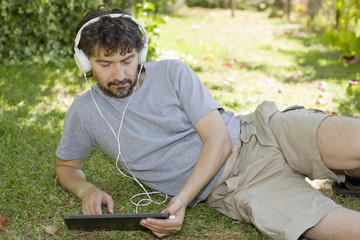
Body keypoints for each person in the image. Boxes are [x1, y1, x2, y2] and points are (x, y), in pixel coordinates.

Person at [55, 5, 360, 240]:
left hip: (262, 132)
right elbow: (66, 167)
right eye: (105, 64)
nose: (119, 74)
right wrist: (87, 191)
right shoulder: (86, 112)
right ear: (84, 62)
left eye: (127, 60)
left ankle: (352, 177)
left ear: (141, 53)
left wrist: (182, 200)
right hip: (239, 186)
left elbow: (219, 139)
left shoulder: (174, 73)